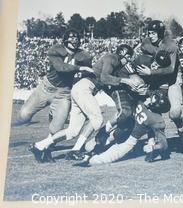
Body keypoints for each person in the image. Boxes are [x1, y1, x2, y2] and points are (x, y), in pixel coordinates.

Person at [29, 44, 138, 162]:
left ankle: (39, 146)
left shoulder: (113, 63)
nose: (128, 60)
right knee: (97, 119)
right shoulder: (112, 58)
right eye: (128, 57)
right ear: (123, 53)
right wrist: (126, 80)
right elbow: (105, 78)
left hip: (81, 89)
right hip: (84, 88)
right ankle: (75, 150)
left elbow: (106, 81)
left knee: (72, 131)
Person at [13, 29, 93, 161]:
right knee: (24, 115)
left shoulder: (84, 56)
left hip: (64, 93)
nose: (74, 40)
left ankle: (45, 149)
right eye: (72, 37)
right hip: (46, 88)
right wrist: (79, 68)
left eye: (76, 37)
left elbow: (88, 72)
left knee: (57, 128)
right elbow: (60, 67)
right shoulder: (56, 50)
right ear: (65, 39)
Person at [136, 20, 183, 152]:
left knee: (175, 113)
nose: (151, 35)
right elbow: (143, 47)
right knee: (154, 110)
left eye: (154, 33)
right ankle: (154, 141)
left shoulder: (170, 45)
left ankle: (181, 131)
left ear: (160, 33)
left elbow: (171, 69)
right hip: (157, 80)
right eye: (149, 33)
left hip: (172, 80)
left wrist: (151, 71)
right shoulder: (147, 43)